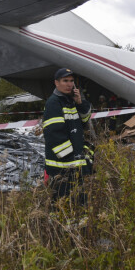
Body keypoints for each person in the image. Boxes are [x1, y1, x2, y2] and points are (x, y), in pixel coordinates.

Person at [42, 68, 93, 202]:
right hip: (62, 164)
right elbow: (53, 133)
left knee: (78, 199)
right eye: (65, 81)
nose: (69, 84)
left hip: (73, 163)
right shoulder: (54, 102)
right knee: (62, 201)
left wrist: (80, 102)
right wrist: (70, 156)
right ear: (56, 83)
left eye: (71, 81)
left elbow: (85, 119)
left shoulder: (70, 100)